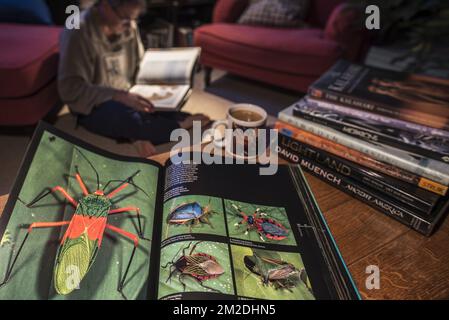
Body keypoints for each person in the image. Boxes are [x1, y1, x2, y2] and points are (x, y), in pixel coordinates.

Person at [58, 0, 209, 155]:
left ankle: (138, 134)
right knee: (121, 117)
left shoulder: (129, 25)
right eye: (125, 17)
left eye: (134, 18)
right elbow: (70, 89)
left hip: (129, 93)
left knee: (165, 108)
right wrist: (116, 95)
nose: (130, 25)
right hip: (97, 103)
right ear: (105, 6)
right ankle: (178, 127)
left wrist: (162, 79)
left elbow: (139, 65)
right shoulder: (77, 30)